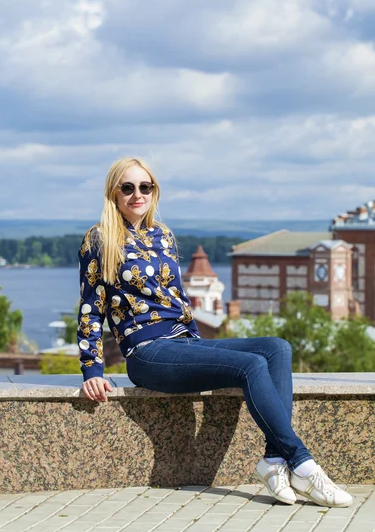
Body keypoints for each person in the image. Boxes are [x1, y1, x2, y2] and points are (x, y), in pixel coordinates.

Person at [77, 156, 353, 509]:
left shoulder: (163, 235)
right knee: (251, 365)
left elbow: (177, 299)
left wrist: (198, 345)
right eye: (127, 188)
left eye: (145, 187)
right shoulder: (100, 239)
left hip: (183, 343)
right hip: (147, 353)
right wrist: (92, 370)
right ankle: (303, 464)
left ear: (154, 191)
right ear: (113, 193)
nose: (137, 194)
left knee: (276, 348)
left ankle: (273, 460)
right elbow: (91, 306)